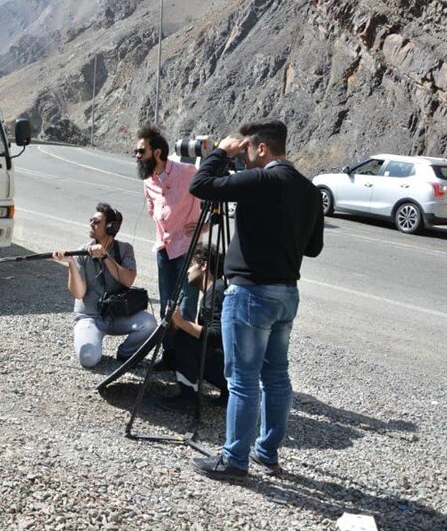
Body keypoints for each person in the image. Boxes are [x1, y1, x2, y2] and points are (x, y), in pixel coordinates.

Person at [187, 119, 324, 481]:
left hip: (250, 293)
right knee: (276, 376)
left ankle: (234, 460)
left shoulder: (261, 180)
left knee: (243, 380)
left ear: (262, 148)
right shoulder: (309, 190)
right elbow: (313, 248)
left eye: (246, 151)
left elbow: (200, 185)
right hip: (286, 293)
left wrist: (221, 152)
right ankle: (267, 452)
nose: (243, 159)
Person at [53, 203, 157, 368]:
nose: (91, 224)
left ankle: (126, 354)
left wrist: (106, 257)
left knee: (149, 324)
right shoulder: (82, 252)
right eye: (91, 220)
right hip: (90, 316)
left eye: (96, 222)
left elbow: (128, 280)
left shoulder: (125, 249)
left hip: (118, 315)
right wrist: (71, 263)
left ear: (111, 227)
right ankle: (92, 342)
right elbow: (79, 294)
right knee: (88, 359)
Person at [135, 124, 201, 320]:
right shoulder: (147, 180)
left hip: (187, 249)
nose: (137, 156)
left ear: (157, 153)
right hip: (164, 249)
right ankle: (168, 349)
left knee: (187, 306)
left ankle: (187, 350)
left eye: (141, 151)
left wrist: (206, 225)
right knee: (166, 305)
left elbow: (213, 196)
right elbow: (152, 208)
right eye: (136, 151)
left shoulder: (187, 172)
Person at [157, 243, 228, 409]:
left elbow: (216, 337)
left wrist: (181, 323)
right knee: (180, 338)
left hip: (232, 371)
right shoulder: (215, 290)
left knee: (183, 338)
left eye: (190, 265)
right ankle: (227, 392)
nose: (187, 270)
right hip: (231, 368)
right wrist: (175, 324)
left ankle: (188, 397)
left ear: (203, 266)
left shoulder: (216, 292)